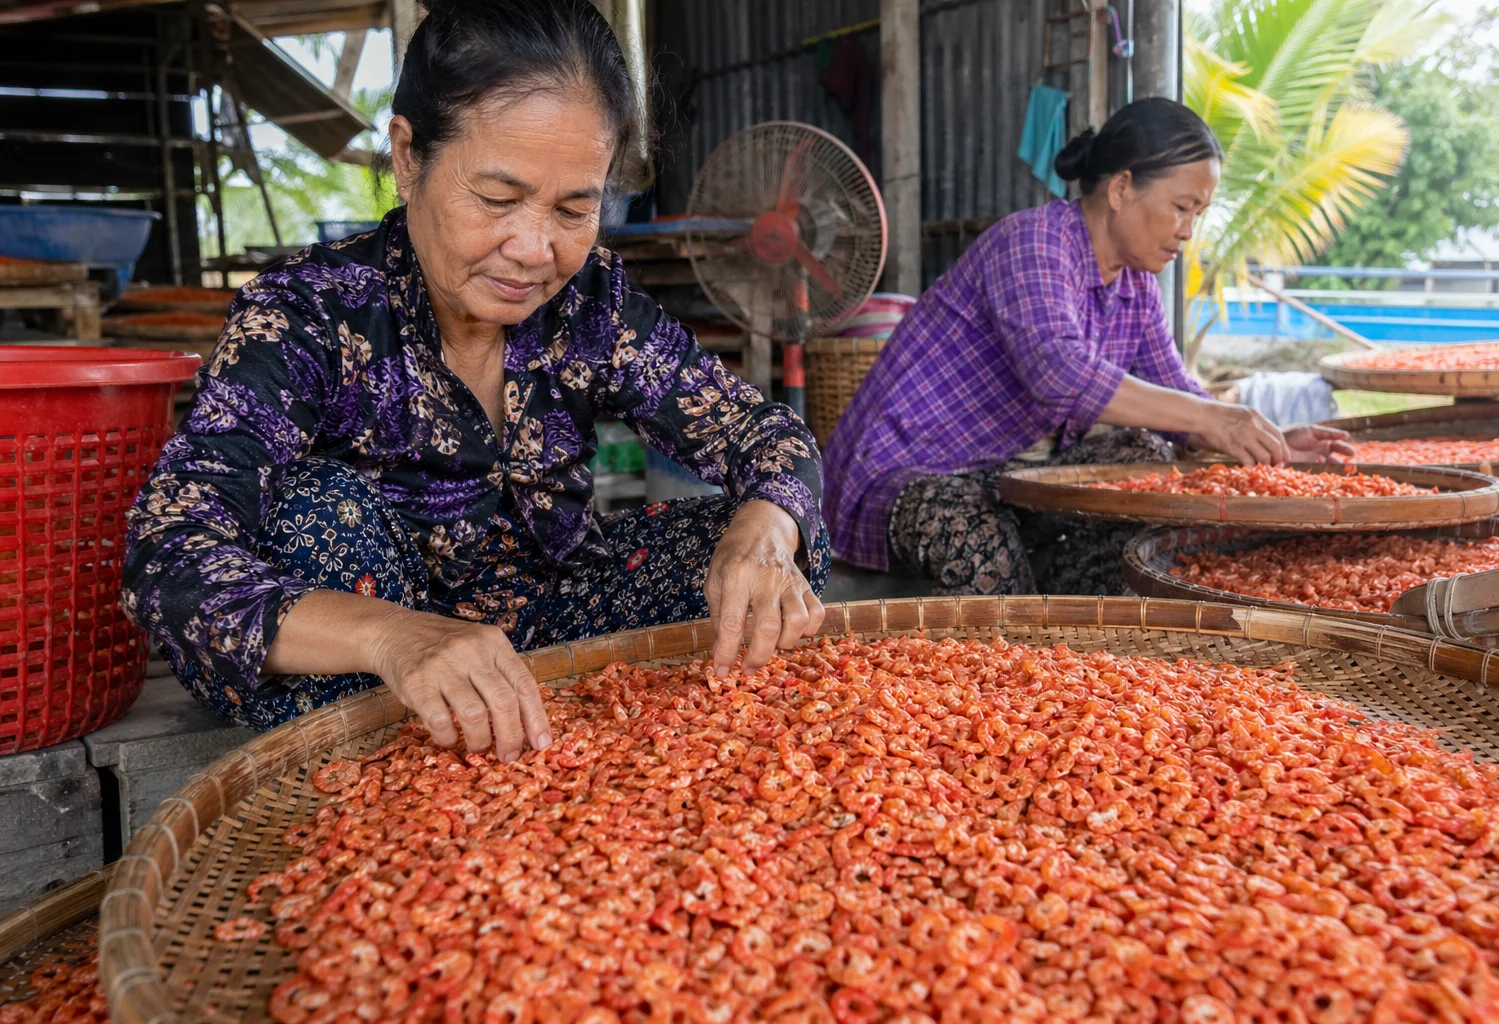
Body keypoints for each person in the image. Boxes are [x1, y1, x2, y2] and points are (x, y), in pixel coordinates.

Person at [122, 0, 828, 760]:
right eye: (496, 200)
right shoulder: (308, 314)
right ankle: (398, 765)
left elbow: (765, 434)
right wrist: (398, 637)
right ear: (407, 156)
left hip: (549, 634)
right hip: (371, 668)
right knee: (314, 515)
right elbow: (169, 557)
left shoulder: (593, 303)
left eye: (573, 208)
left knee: (769, 551)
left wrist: (764, 527)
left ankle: (624, 754)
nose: (533, 248)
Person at [823, 98, 1352, 597]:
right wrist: (1215, 418)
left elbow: (1178, 401)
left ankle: (1080, 623)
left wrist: (1265, 438)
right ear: (1121, 188)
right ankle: (1016, 666)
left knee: (1144, 455)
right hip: (911, 473)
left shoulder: (1135, 286)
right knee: (973, 531)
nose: (1188, 231)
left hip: (1005, 473)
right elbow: (1059, 371)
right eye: (1181, 207)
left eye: (1199, 214)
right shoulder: (1034, 242)